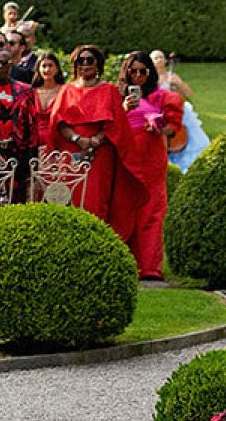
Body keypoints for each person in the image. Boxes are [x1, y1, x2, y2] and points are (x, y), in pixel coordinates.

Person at [47, 43, 135, 220]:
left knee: (96, 198)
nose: (85, 64)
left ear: (98, 64)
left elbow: (117, 123)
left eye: (90, 60)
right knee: (70, 196)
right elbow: (58, 122)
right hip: (71, 149)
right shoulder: (67, 90)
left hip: (100, 152)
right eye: (81, 60)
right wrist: (78, 138)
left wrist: (96, 139)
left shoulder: (109, 90)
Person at [112, 51, 177, 281]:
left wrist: (159, 128)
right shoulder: (116, 96)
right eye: (133, 71)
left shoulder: (162, 96)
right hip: (126, 156)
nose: (138, 76)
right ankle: (124, 262)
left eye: (143, 71)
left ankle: (150, 267)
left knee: (152, 209)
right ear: (126, 73)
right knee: (124, 208)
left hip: (152, 156)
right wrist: (124, 108)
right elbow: (109, 125)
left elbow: (173, 127)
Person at [0, 49, 39, 199]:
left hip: (18, 155)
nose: (0, 67)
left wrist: (33, 160)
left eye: (4, 63)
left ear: (11, 66)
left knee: (17, 200)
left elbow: (32, 127)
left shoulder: (26, 90)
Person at [153, 50, 210, 170]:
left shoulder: (172, 76)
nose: (159, 60)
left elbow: (188, 94)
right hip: (160, 113)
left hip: (178, 111)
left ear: (165, 61)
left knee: (194, 138)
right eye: (156, 58)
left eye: (161, 57)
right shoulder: (150, 80)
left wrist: (178, 84)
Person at [30, 49, 68, 146]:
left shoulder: (65, 91)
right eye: (44, 66)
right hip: (34, 142)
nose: (47, 70)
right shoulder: (31, 92)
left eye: (50, 66)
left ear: (57, 68)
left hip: (60, 141)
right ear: (38, 68)